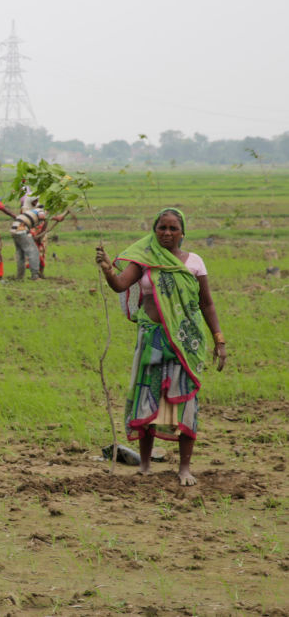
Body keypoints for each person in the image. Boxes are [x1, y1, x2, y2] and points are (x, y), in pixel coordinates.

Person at [95, 208, 226, 486]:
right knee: (147, 397)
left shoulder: (195, 263)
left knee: (185, 400)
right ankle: (144, 466)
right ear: (154, 230)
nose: (167, 233)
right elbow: (119, 285)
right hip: (151, 339)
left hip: (185, 341)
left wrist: (219, 340)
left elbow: (207, 304)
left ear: (182, 232)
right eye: (162, 228)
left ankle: (184, 468)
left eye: (173, 228)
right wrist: (108, 268)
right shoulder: (144, 260)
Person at [0, 198, 48, 280]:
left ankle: (19, 276)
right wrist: (56, 218)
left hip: (14, 230)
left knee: (21, 254)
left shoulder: (31, 212)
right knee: (33, 251)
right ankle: (35, 276)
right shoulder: (40, 211)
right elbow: (43, 217)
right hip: (21, 229)